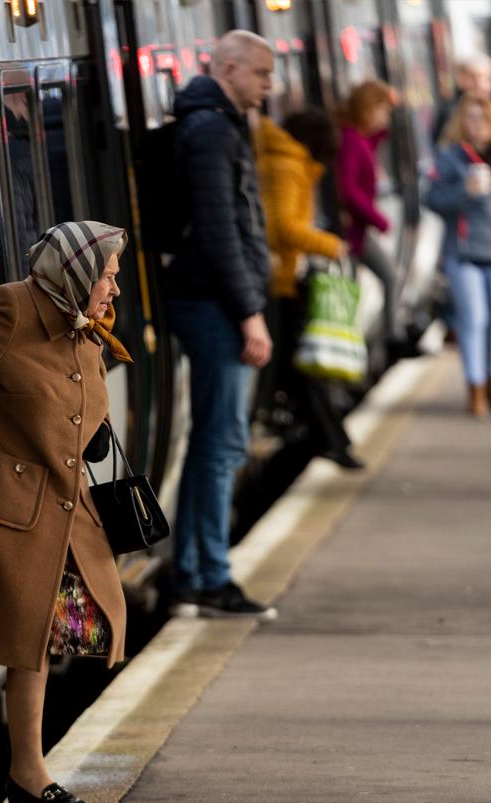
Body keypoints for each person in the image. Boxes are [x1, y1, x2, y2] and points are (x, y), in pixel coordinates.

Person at [0, 220, 133, 803]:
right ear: (79, 272)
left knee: (39, 636)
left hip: (66, 510)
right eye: (109, 277)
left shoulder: (84, 332)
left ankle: (27, 770)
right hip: (10, 511)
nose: (113, 291)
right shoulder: (9, 310)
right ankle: (24, 768)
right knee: (15, 634)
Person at [164, 30, 277, 620]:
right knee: (220, 443)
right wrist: (249, 313)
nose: (269, 87)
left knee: (217, 441)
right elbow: (218, 232)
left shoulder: (215, 124)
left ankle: (198, 570)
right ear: (230, 67)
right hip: (213, 306)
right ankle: (208, 574)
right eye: (261, 74)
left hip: (214, 303)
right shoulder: (210, 131)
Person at [256, 107, 363, 470]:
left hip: (284, 279)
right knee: (303, 366)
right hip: (279, 282)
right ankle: (331, 440)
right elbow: (283, 226)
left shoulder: (289, 161)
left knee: (301, 366)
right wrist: (329, 245)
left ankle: (332, 439)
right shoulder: (288, 166)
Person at [425, 95, 491, 418]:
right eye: (470, 119)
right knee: (474, 320)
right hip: (463, 253)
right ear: (461, 122)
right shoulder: (450, 158)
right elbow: (432, 199)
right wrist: (464, 193)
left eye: (483, 119)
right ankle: (475, 387)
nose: (477, 125)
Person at [336, 79, 405, 353]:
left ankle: (390, 335)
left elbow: (372, 144)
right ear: (369, 108)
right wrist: (379, 219)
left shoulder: (358, 138)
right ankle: (391, 337)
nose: (386, 116)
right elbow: (349, 189)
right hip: (354, 233)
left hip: (358, 232)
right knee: (384, 277)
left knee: (385, 277)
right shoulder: (352, 142)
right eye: (383, 110)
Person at [430, 53, 491, 147]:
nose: (481, 84)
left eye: (487, 79)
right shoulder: (451, 111)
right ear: (461, 78)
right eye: (474, 77)